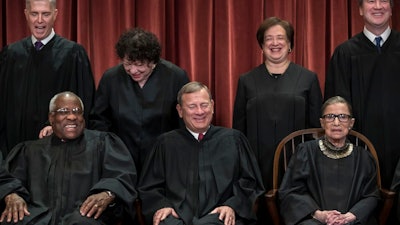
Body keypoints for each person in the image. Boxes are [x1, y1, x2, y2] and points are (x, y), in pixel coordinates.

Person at [232, 16, 322, 224]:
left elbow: (316, 129)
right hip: (256, 164)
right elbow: (239, 128)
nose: (275, 43)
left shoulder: (308, 78)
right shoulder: (247, 80)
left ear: (290, 44)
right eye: (268, 39)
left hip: (297, 164)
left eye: (280, 38)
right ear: (261, 45)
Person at [0, 91, 137, 225]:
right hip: (38, 215)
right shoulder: (30, 150)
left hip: (85, 216)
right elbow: (8, 180)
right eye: (64, 111)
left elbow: (122, 176)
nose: (72, 117)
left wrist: (108, 193)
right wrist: (11, 195)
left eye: (77, 111)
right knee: (12, 219)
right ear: (51, 117)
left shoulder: (103, 143)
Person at [138, 81, 264, 225]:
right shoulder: (165, 144)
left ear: (212, 106)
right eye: (192, 106)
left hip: (220, 217)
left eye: (204, 105)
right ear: (180, 110)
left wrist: (232, 205)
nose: (199, 111)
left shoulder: (234, 140)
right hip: (175, 216)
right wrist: (162, 205)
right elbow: (150, 187)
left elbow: (250, 183)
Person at [325, 1, 399, 223]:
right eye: (370, 0)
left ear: (392, 7)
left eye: (383, 0)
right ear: (359, 9)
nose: (377, 6)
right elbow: (335, 113)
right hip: (359, 152)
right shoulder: (345, 53)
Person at [0, 0, 95, 160]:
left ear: (55, 15)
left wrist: (59, 126)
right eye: (34, 14)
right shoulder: (11, 54)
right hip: (15, 149)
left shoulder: (72, 54)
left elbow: (84, 105)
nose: (39, 20)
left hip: (59, 150)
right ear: (26, 14)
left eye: (45, 14)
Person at [89, 28, 190, 173]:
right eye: (128, 64)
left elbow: (184, 121)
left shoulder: (176, 77)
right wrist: (110, 151)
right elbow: (99, 120)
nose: (133, 70)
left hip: (164, 162)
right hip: (120, 161)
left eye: (140, 64)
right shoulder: (111, 78)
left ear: (153, 61)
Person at [279, 96, 379, 225]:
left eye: (343, 117)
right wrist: (319, 215)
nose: (336, 122)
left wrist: (351, 216)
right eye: (330, 116)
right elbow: (291, 192)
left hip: (352, 220)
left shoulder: (364, 157)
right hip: (314, 220)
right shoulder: (305, 152)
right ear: (322, 122)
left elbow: (372, 195)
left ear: (351, 123)